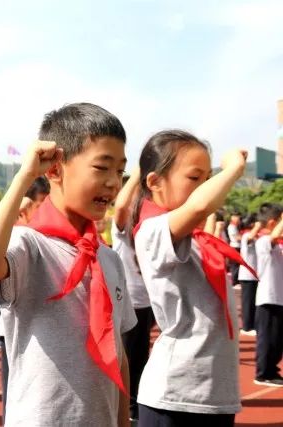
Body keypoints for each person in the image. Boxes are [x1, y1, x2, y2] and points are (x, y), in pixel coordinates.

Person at [0, 103, 136, 426]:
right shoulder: (30, 246)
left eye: (120, 171)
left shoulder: (108, 259)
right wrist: (24, 177)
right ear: (55, 170)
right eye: (101, 167)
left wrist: (122, 421)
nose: (114, 183)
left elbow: (118, 353)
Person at [132, 130, 251, 426]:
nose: (205, 187)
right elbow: (199, 206)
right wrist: (233, 169)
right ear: (154, 182)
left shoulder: (196, 239)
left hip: (215, 396)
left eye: (208, 178)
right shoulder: (152, 231)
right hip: (175, 395)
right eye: (195, 178)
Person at [111, 167, 153, 422]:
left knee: (140, 359)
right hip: (129, 303)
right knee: (126, 359)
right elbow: (120, 207)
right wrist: (139, 171)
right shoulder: (122, 227)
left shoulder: (146, 225)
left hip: (147, 302)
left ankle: (134, 408)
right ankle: (125, 409)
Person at [253, 204, 283, 386]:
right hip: (268, 298)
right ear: (273, 222)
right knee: (268, 338)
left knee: (278, 339)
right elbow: (273, 236)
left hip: (279, 297)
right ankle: (263, 373)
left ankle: (272, 370)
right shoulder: (263, 241)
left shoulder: (277, 244)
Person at [238, 212, 261, 336]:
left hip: (254, 275)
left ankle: (252, 325)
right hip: (247, 275)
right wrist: (257, 226)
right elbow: (250, 238)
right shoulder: (247, 235)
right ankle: (246, 327)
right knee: (248, 302)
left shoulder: (256, 236)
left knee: (253, 302)